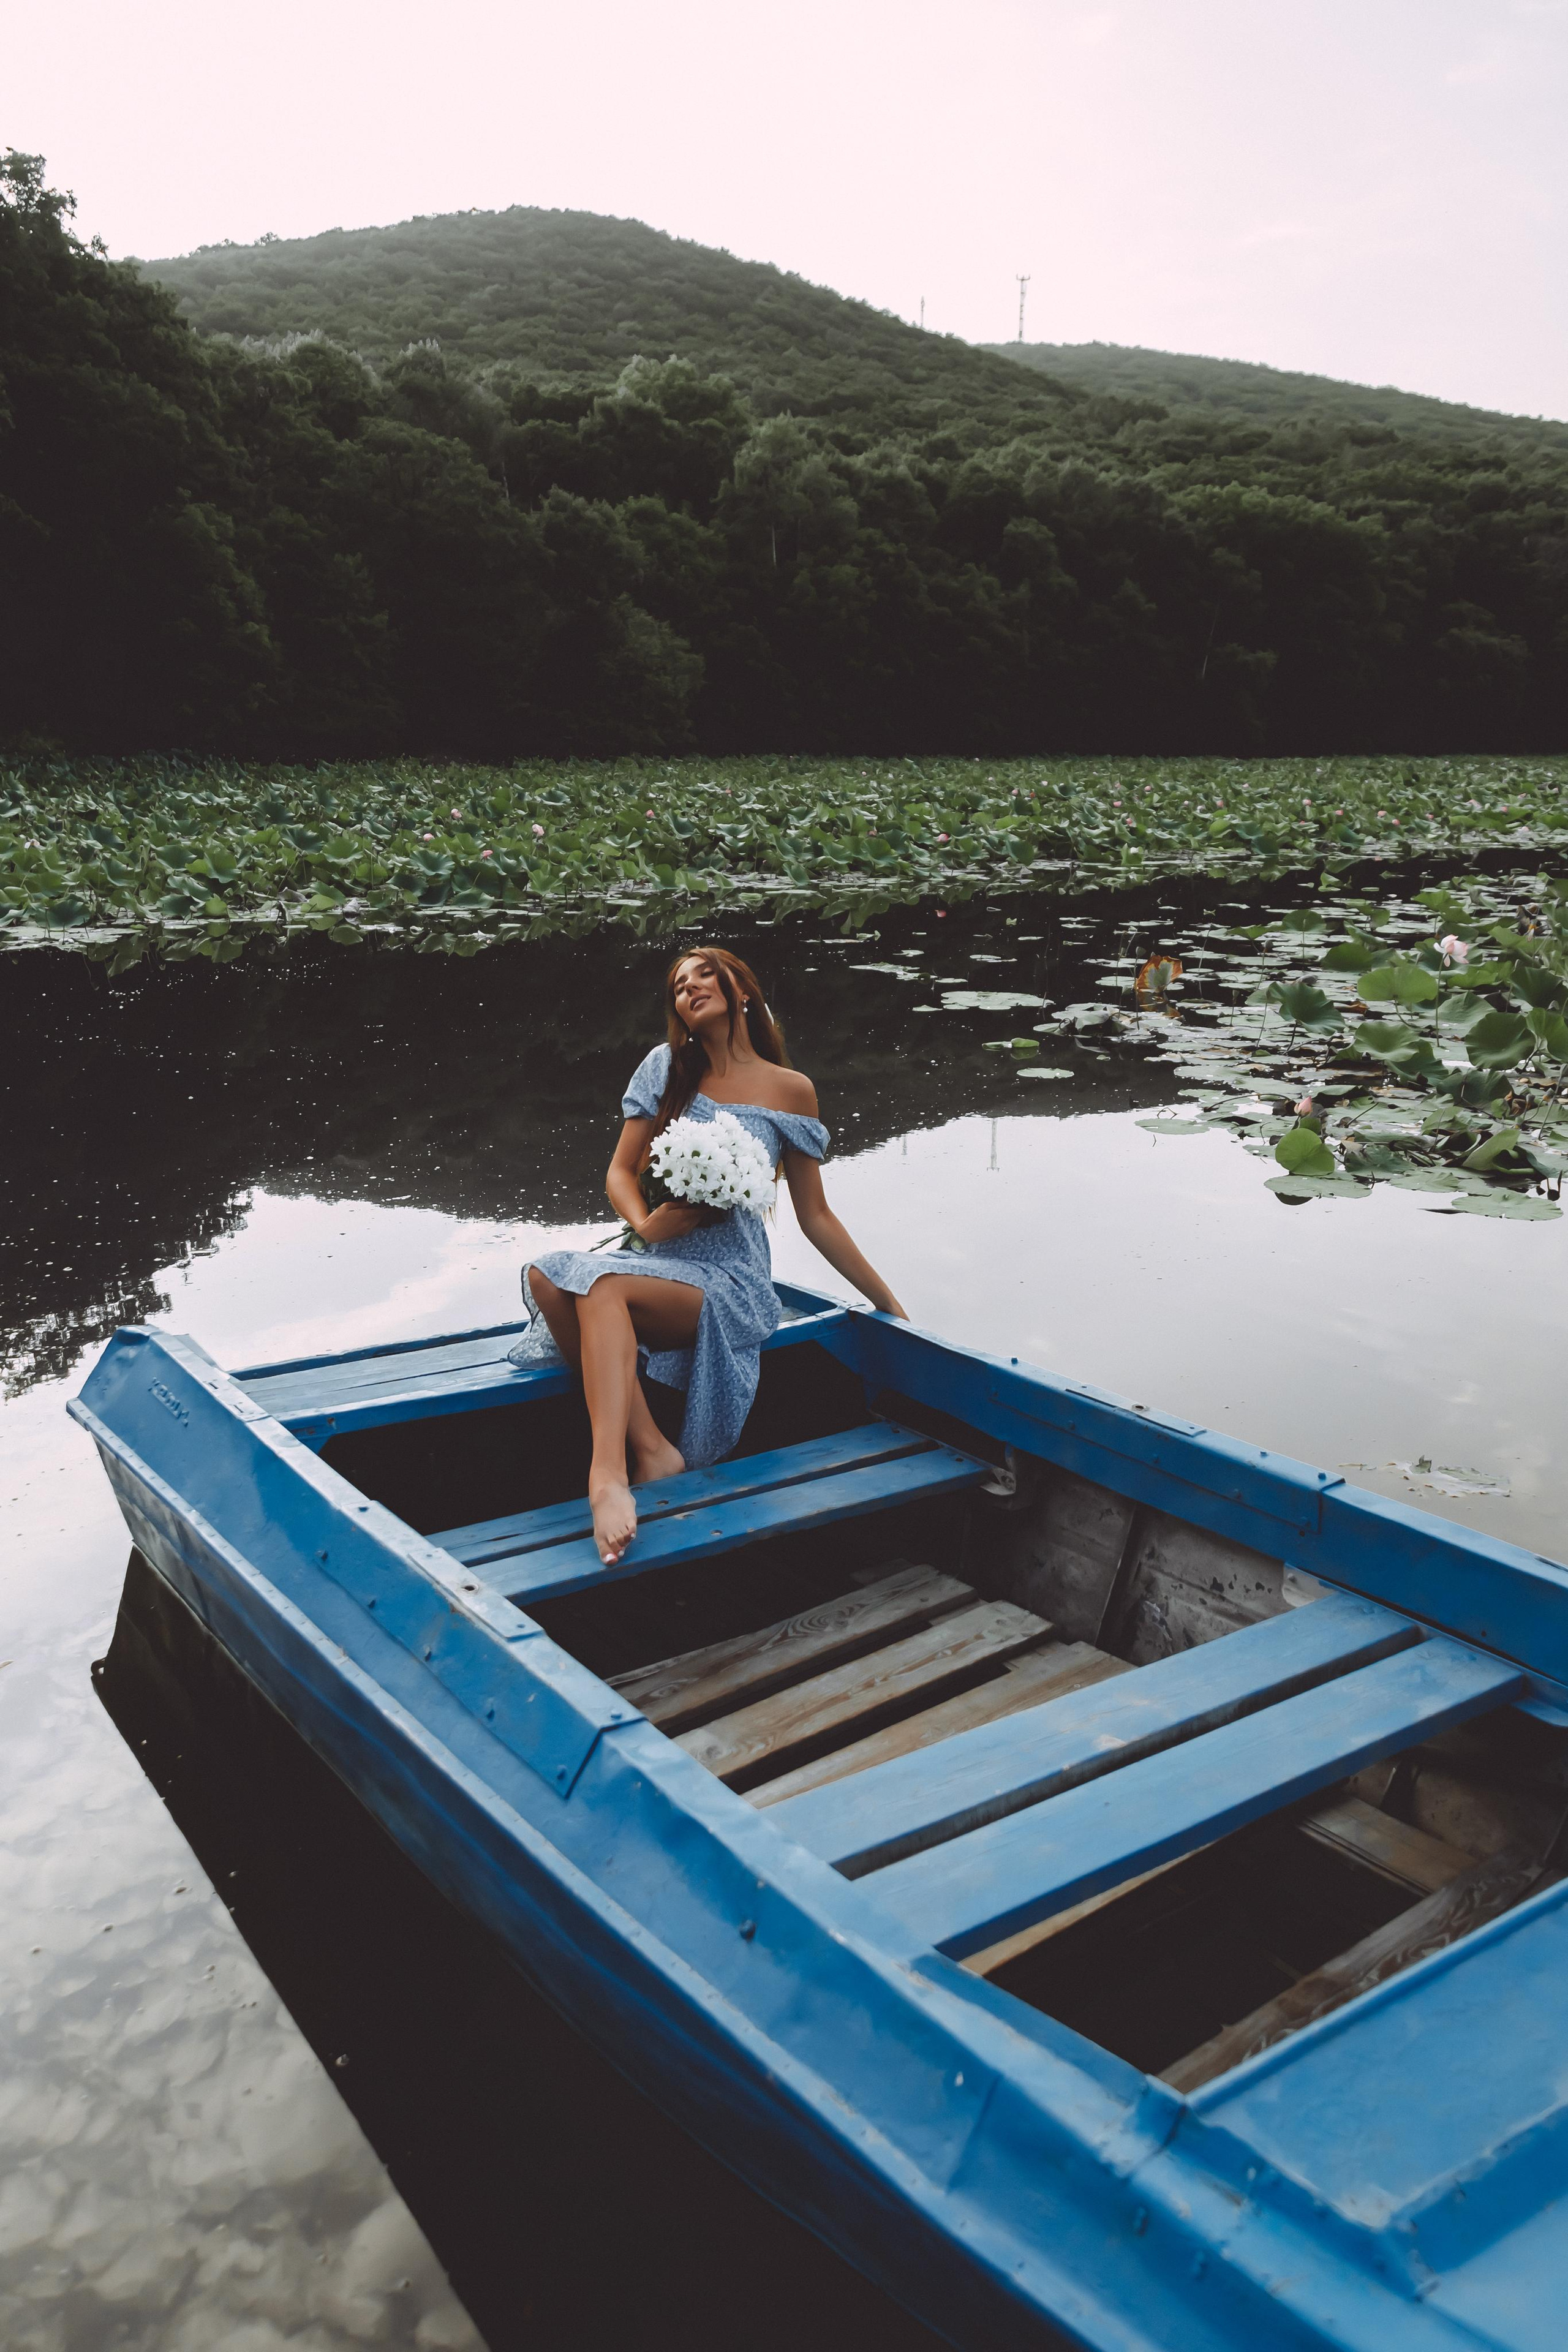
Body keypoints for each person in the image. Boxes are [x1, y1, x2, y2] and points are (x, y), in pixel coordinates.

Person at [524, 945, 907, 1568]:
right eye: (678, 985)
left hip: (732, 1278)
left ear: (742, 991)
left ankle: (607, 1477)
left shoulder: (791, 1090)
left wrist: (886, 1301)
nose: (690, 987)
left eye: (704, 974)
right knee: (547, 1278)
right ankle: (652, 1447)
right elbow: (619, 1173)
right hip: (660, 1259)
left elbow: (816, 1216)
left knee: (602, 1289)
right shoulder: (664, 1068)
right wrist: (647, 1225)